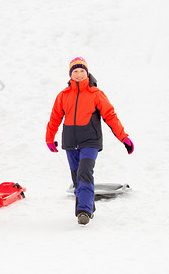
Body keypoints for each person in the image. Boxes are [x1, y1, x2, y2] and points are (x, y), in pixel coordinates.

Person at [46, 57, 134, 225]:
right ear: (70, 74)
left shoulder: (96, 94)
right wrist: (49, 138)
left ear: (87, 73)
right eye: (75, 71)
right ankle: (88, 205)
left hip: (90, 141)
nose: (79, 75)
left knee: (84, 172)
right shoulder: (63, 96)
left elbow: (110, 116)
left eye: (82, 71)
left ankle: (83, 211)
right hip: (70, 142)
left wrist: (124, 137)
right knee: (76, 177)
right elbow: (54, 118)